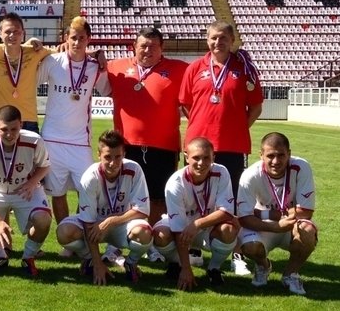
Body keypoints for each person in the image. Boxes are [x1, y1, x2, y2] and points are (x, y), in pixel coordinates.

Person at [179, 21, 263, 275]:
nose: (219, 43)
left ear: (232, 40)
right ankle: (193, 249)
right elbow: (185, 104)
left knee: (234, 202)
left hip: (232, 145)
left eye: (224, 38)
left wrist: (237, 127)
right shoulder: (195, 68)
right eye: (214, 38)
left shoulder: (245, 69)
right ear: (208, 40)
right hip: (198, 149)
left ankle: (236, 254)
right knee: (193, 199)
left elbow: (256, 106)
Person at [106, 26, 188, 230]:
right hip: (126, 145)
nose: (147, 50)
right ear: (134, 46)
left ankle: (155, 241)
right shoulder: (114, 67)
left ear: (162, 48)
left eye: (153, 46)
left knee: (159, 196)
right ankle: (124, 238)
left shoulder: (180, 69)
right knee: (124, 195)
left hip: (164, 146)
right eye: (143, 46)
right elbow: (84, 62)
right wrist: (95, 53)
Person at [37, 16, 109, 225]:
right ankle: (66, 237)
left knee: (88, 190)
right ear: (66, 38)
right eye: (73, 38)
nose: (77, 42)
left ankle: (82, 231)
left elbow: (110, 89)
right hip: (52, 139)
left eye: (82, 38)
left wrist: (101, 57)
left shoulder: (96, 66)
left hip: (80, 142)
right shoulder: (52, 61)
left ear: (89, 40)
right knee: (57, 193)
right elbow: (29, 80)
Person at [57, 130, 152, 285]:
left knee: (145, 233)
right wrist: (97, 262)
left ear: (124, 154)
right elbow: (88, 222)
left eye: (118, 157)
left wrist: (112, 221)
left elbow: (142, 210)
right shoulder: (90, 177)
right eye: (108, 157)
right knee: (64, 232)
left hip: (121, 224)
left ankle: (131, 262)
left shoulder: (134, 169)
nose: (113, 163)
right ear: (99, 154)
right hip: (95, 225)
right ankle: (89, 260)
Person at [0, 105, 52, 277]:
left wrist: (32, 183)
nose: (9, 134)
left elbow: (44, 166)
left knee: (44, 220)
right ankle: (0, 256)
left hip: (25, 190)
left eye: (14, 129)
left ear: (21, 125)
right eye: (4, 129)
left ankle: (28, 257)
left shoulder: (34, 140)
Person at [236, 132, 317, 296]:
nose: (275, 161)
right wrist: (275, 225)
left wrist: (266, 213)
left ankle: (290, 274)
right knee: (249, 247)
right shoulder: (250, 175)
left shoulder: (301, 167)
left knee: (307, 231)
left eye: (281, 155)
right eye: (270, 155)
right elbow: (244, 218)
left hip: (291, 224)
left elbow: (306, 211)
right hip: (265, 228)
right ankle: (263, 266)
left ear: (289, 153)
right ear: (261, 155)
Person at [152, 137, 238, 289]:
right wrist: (186, 269)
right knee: (160, 235)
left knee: (230, 229)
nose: (201, 163)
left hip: (207, 225)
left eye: (206, 158)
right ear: (186, 157)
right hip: (182, 227)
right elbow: (178, 229)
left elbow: (227, 212)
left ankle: (214, 268)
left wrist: (197, 223)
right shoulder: (175, 183)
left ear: (213, 157)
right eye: (196, 158)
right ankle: (177, 263)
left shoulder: (221, 172)